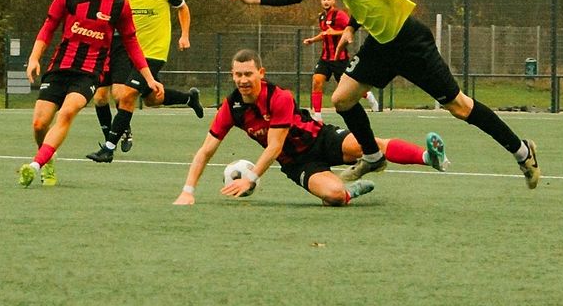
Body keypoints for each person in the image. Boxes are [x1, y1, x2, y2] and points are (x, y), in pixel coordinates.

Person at [224, 0, 541, 189]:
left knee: (459, 106)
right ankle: (373, 157)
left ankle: (522, 151)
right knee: (343, 99)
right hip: (381, 43)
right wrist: (352, 26)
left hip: (410, 41)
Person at [173, 49, 448, 206]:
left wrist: (251, 178)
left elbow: (275, 145)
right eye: (238, 74)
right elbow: (205, 151)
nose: (243, 80)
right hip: (298, 164)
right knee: (334, 196)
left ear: (261, 73)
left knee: (372, 145)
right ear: (232, 75)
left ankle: (429, 157)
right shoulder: (231, 108)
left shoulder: (279, 96)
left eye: (248, 74)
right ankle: (350, 190)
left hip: (322, 139)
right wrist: (188, 191)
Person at [19, 0, 163, 187]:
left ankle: (36, 164)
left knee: (67, 112)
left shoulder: (119, 4)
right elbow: (49, 26)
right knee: (39, 124)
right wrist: (34, 57)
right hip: (60, 67)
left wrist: (149, 78)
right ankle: (47, 157)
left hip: (89, 72)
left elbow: (132, 44)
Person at [86, 0, 202, 163]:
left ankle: (108, 148)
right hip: (129, 51)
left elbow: (183, 8)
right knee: (151, 98)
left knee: (127, 95)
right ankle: (189, 98)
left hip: (154, 53)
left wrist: (184, 35)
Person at [302, 0, 379, 121]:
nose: (326, 2)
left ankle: (369, 96)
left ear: (333, 1)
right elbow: (325, 34)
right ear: (321, 2)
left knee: (348, 88)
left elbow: (349, 29)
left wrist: (335, 32)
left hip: (340, 58)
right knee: (316, 81)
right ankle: (318, 116)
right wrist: (312, 40)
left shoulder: (339, 15)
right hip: (325, 58)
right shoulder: (322, 17)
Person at [88, 0, 134, 141]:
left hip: (120, 44)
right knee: (99, 97)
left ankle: (123, 130)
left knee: (119, 93)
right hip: (99, 43)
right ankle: (109, 136)